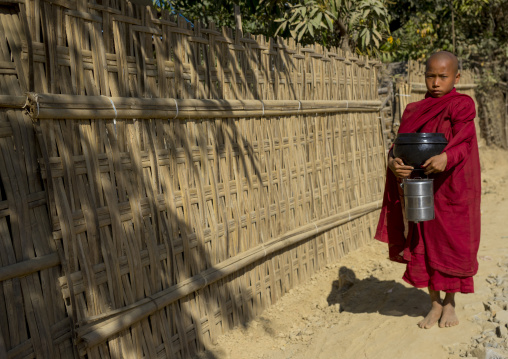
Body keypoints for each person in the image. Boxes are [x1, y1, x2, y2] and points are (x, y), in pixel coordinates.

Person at [375, 51, 481, 329]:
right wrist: (392, 162)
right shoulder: (413, 110)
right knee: (421, 241)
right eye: (430, 76)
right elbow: (399, 144)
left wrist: (446, 158)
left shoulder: (462, 105)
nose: (435, 82)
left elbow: (464, 140)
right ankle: (434, 304)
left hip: (453, 187)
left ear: (456, 77)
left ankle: (450, 303)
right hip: (421, 187)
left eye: (442, 76)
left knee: (452, 244)